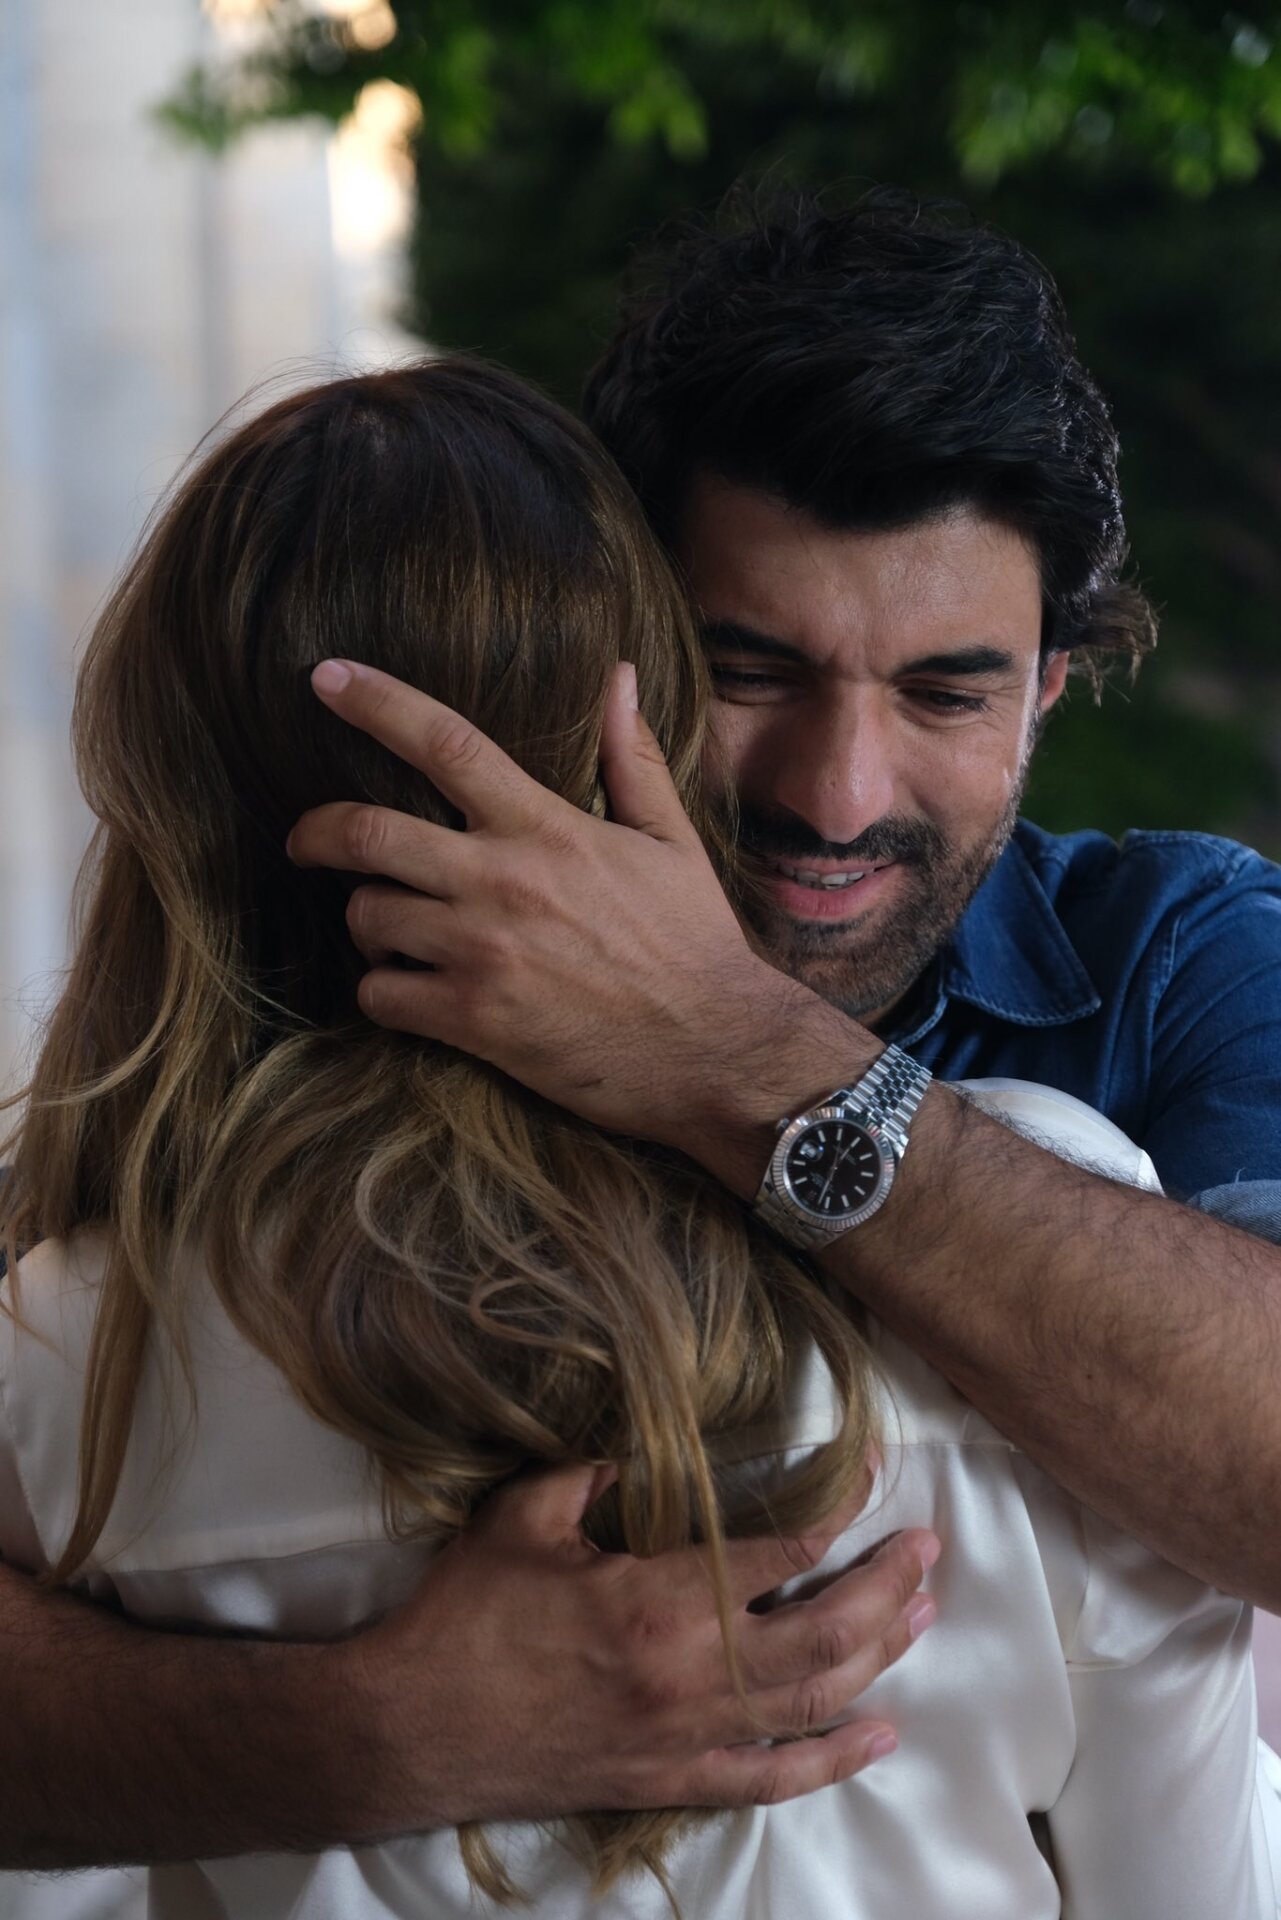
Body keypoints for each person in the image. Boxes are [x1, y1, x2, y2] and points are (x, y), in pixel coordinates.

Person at [3, 356, 1279, 1920]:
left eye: (946, 692)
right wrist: (374, 1731)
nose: (835, 796)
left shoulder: (1178, 957)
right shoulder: (80, 1328)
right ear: (617, 661)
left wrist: (744, 1056)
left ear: (1048, 689)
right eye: (748, 671)